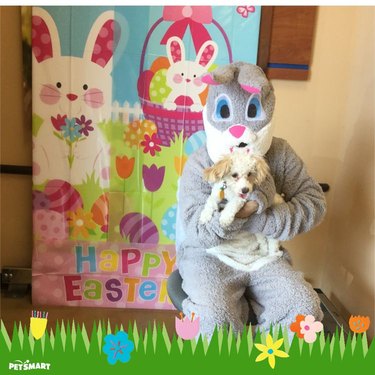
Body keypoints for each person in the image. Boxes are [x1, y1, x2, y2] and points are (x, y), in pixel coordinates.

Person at [176, 62, 327, 337]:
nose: (239, 131)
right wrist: (237, 215)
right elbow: (196, 229)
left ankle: (267, 355)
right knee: (215, 318)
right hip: (210, 255)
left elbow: (314, 203)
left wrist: (262, 216)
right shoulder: (201, 163)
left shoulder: (279, 154)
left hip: (263, 255)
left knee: (303, 307)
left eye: (251, 113)